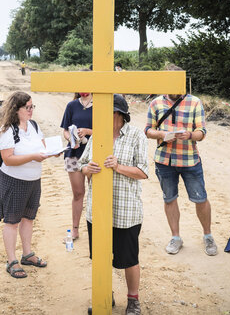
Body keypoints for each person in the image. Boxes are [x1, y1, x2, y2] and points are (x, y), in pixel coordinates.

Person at [79, 94, 148, 315]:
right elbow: (81, 165)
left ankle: (133, 300)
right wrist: (87, 169)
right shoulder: (97, 135)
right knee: (100, 257)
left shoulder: (137, 136)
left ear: (117, 114)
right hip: (97, 211)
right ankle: (103, 295)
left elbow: (143, 172)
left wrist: (118, 167)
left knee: (129, 259)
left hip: (125, 211)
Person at [144, 63, 217, 256]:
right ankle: (175, 237)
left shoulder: (195, 102)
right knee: (170, 199)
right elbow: (148, 130)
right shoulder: (155, 103)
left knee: (200, 199)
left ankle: (208, 236)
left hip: (190, 160)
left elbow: (202, 132)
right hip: (164, 160)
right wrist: (161, 133)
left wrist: (190, 135)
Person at [0, 91, 54, 279]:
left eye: (32, 107)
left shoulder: (34, 126)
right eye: (27, 107)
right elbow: (8, 159)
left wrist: (53, 152)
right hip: (14, 181)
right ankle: (12, 260)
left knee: (29, 217)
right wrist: (33, 157)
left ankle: (27, 254)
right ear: (16, 109)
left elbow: (43, 148)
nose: (31, 111)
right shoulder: (7, 130)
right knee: (12, 221)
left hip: (33, 180)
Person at [60, 93, 93, 240]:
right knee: (78, 193)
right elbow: (65, 130)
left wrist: (87, 132)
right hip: (73, 153)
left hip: (94, 154)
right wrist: (71, 137)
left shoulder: (101, 104)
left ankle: (97, 227)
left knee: (96, 194)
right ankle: (75, 229)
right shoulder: (71, 105)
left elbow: (108, 130)